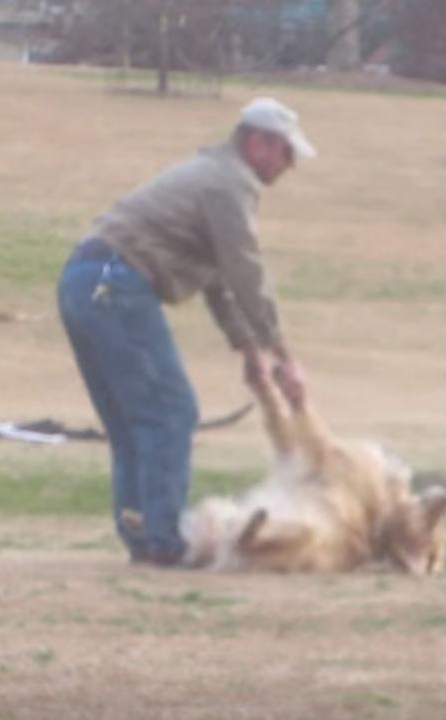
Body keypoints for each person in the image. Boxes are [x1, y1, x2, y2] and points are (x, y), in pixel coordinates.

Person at [57, 97, 314, 567]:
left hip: (83, 281)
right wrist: (284, 354)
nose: (290, 165)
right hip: (114, 282)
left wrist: (249, 350)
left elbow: (217, 281)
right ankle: (163, 541)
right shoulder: (230, 182)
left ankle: (142, 537)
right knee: (171, 411)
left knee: (133, 422)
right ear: (258, 143)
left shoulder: (211, 175)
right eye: (286, 152)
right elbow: (244, 271)